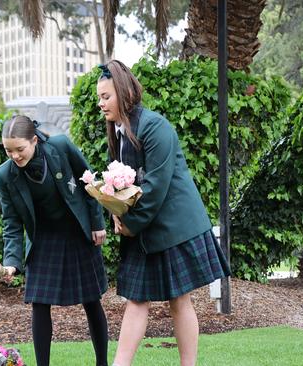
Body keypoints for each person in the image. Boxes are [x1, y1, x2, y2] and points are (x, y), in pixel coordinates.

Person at [95, 60, 231, 366]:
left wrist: (129, 223)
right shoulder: (117, 133)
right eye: (100, 98)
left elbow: (155, 186)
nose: (101, 104)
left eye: (106, 97)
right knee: (137, 299)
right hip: (144, 228)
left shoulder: (155, 126)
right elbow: (121, 186)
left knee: (180, 300)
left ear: (123, 93)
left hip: (173, 228)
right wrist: (117, 213)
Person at [0, 116, 110, 366]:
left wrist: (97, 223)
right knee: (39, 302)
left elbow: (89, 182)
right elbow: (11, 222)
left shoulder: (60, 147)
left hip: (77, 230)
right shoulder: (5, 175)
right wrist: (11, 262)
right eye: (8, 150)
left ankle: (102, 363)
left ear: (34, 140)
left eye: (19, 149)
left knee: (91, 300)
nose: (14, 156)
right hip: (43, 238)